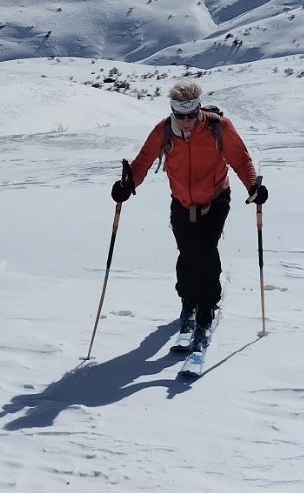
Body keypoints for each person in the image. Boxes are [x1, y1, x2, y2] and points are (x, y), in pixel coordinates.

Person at [111, 81, 266, 350]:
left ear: (198, 110)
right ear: (173, 111)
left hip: (216, 200)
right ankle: (188, 303)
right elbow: (144, 160)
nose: (185, 121)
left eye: (191, 115)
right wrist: (128, 185)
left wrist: (253, 186)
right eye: (179, 115)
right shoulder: (163, 131)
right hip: (182, 202)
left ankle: (206, 309)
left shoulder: (219, 127)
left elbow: (241, 159)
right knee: (187, 255)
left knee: (205, 253)